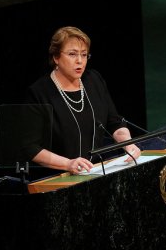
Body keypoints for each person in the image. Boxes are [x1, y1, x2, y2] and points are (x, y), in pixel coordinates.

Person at [25, 26, 141, 175]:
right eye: (72, 54)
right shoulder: (39, 93)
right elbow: (30, 147)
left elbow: (115, 123)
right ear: (56, 57)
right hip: (58, 178)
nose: (80, 61)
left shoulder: (94, 80)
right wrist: (68, 164)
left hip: (97, 172)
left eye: (84, 54)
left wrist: (128, 144)